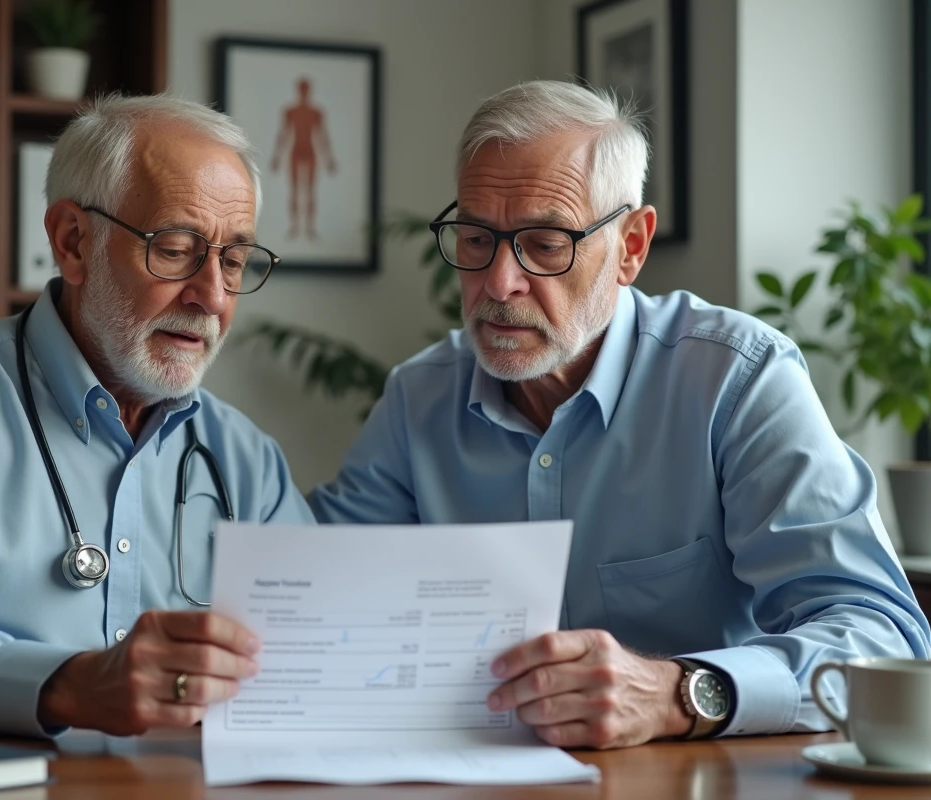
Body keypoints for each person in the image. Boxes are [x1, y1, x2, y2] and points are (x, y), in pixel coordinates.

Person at [308, 80, 931, 749]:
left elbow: (876, 633)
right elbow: (315, 596)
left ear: (631, 246)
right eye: (475, 237)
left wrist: (678, 692)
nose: (498, 282)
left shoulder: (737, 380)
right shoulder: (418, 400)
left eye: (545, 243)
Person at [0, 94, 315, 739]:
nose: (212, 295)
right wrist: (64, 686)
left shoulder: (246, 459)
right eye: (177, 249)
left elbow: (316, 669)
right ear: (74, 242)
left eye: (233, 261)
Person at [270, 77, 337, 239]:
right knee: (294, 191)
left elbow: (323, 136)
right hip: (295, 151)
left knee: (310, 191)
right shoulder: (290, 111)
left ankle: (310, 227)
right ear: (298, 90)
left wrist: (329, 158)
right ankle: (294, 226)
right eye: (302, 88)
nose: (304, 91)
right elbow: (283, 134)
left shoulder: (316, 112)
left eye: (306, 88)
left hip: (310, 152)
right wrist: (277, 156)